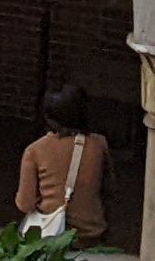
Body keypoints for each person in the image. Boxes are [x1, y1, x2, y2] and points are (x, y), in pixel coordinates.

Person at [12, 83, 111, 242]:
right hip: (91, 235)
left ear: (48, 117)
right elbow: (109, 190)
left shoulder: (35, 150)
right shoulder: (99, 144)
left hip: (50, 237)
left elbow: (25, 204)